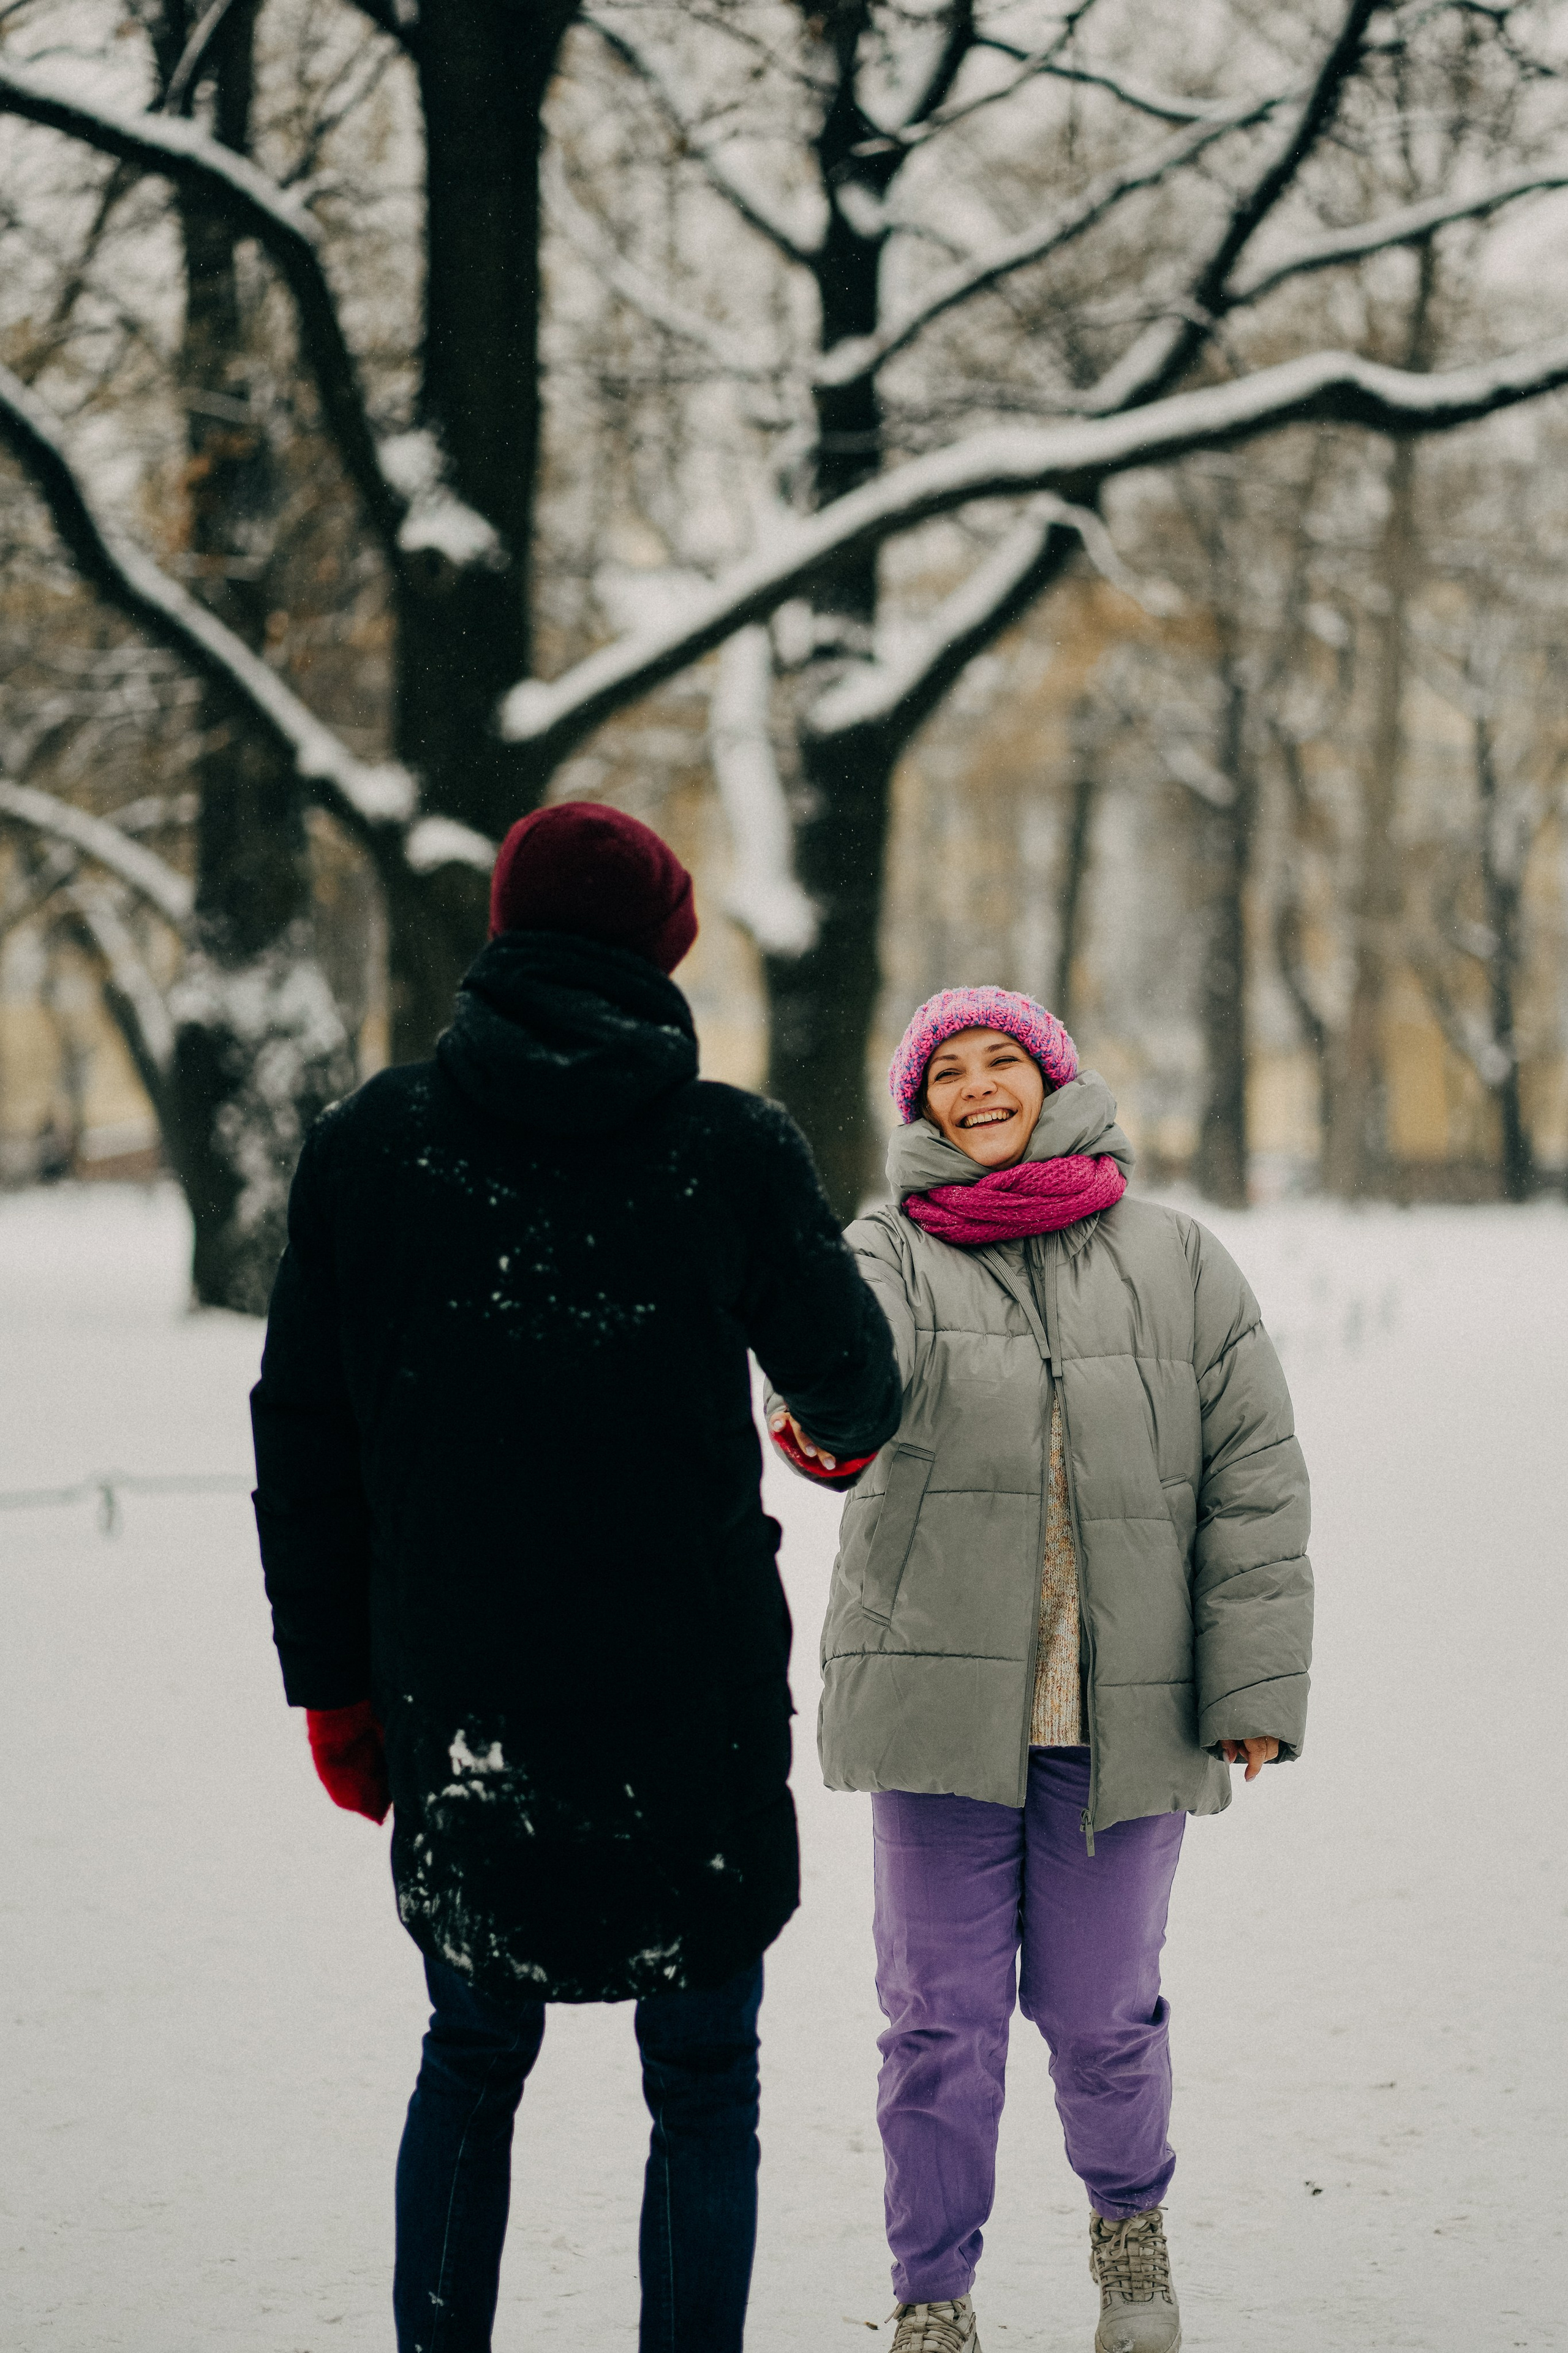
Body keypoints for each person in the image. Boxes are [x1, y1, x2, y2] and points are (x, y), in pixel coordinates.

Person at [251, 802, 901, 2353]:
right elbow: (858, 1397)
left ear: (503, 931)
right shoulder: (729, 1150)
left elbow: (304, 1442)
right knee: (702, 2079)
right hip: (688, 1708)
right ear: (663, 944)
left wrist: (335, 1689)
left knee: (469, 2051)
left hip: (459, 1702)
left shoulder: (368, 1146)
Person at [767, 986, 1312, 2353]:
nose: (975, 1087)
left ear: (1051, 1076)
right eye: (944, 1073)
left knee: (1101, 2013)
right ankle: (932, 2298)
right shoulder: (883, 1247)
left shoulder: (1175, 1260)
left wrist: (1249, 1686)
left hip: (1119, 1713)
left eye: (999, 1059)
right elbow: (838, 1378)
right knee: (935, 2023)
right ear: (920, 1108)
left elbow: (1253, 1480)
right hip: (939, 1709)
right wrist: (820, 1415)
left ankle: (1129, 2234)